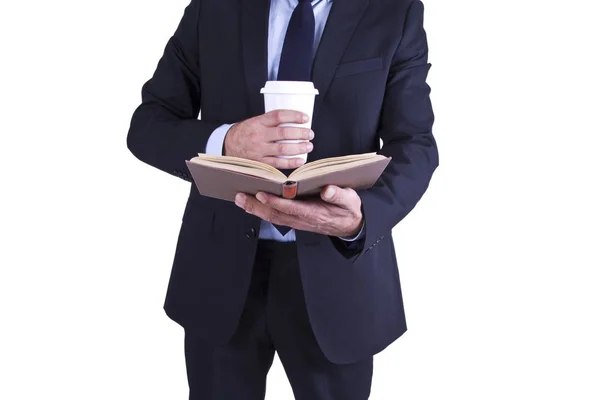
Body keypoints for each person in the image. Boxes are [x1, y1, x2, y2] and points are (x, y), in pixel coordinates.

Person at [127, 0, 438, 398]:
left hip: (338, 278)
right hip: (218, 273)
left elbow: (415, 143)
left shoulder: (394, 11)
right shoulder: (214, 7)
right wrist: (227, 141)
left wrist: (362, 218)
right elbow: (149, 124)